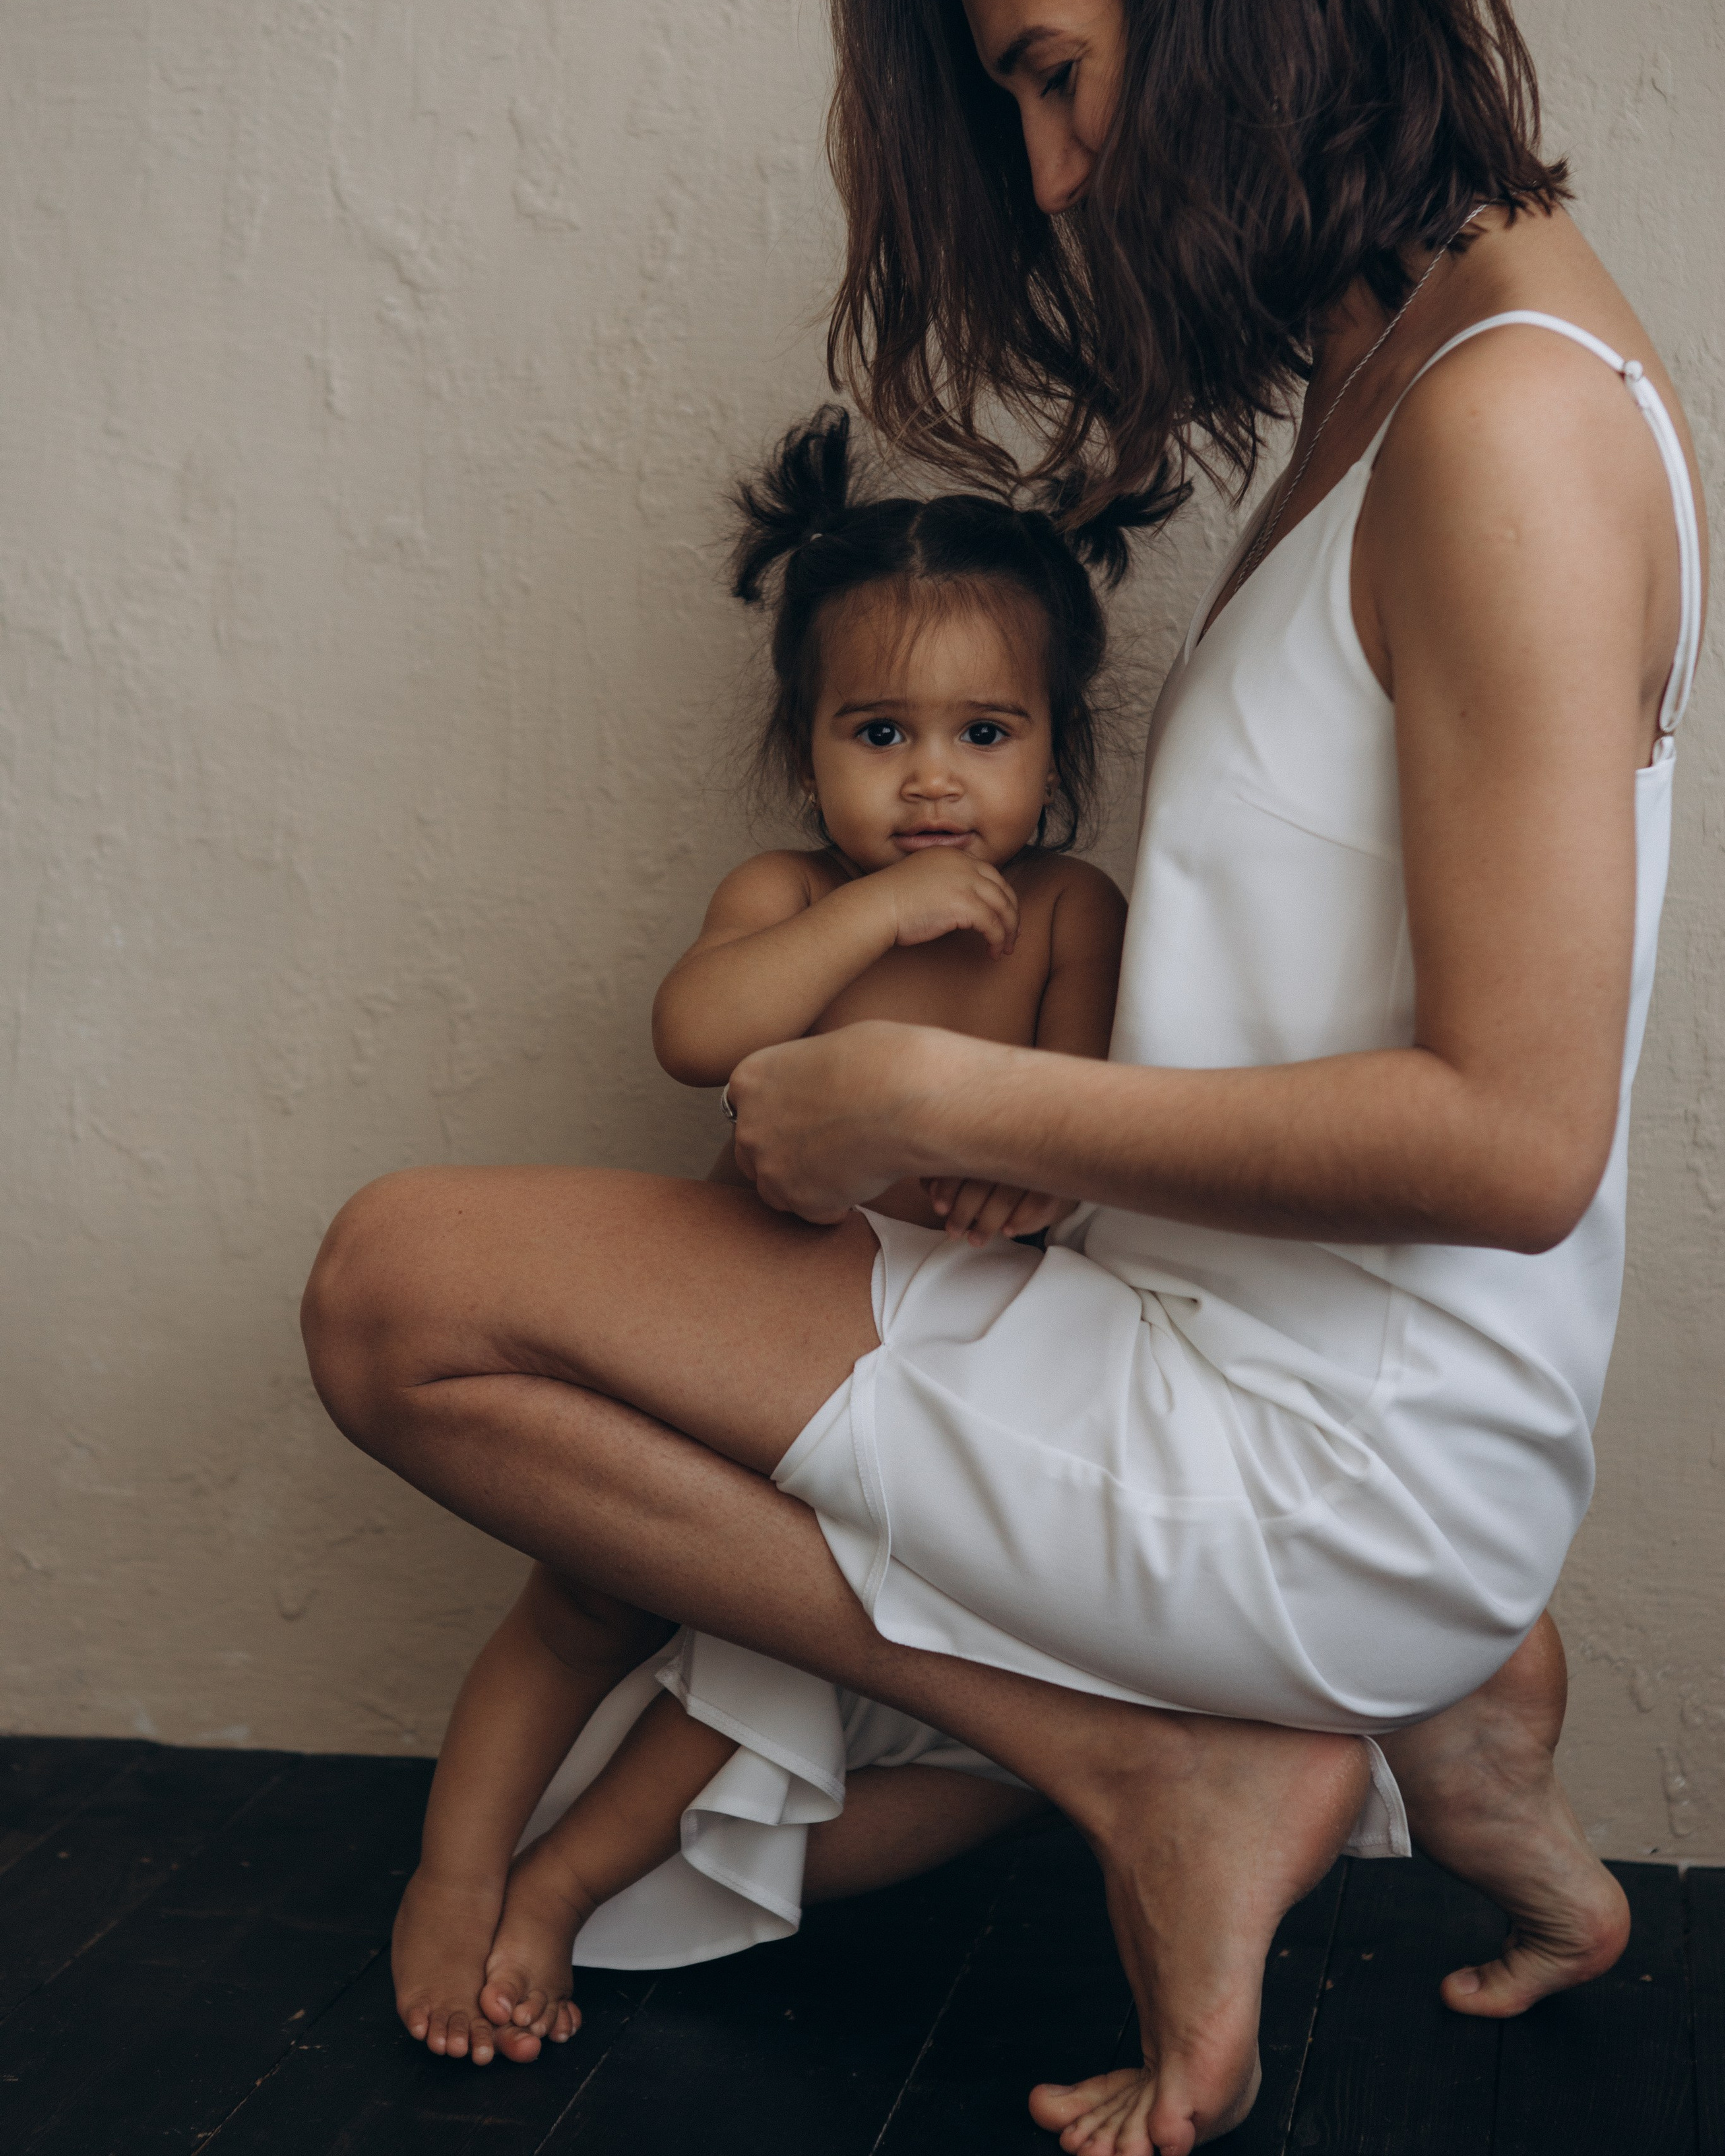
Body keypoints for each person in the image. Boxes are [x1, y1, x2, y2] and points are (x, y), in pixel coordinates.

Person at [301, 2, 1707, 2150]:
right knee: (466, 1302)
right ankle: (1410, 1684)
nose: (1048, 171)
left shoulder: (1506, 420)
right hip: (1259, 1375)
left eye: (1055, 67)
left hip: (1313, 1453)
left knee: (401, 1297)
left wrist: (939, 1110)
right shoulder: (1412, 371)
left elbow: (1516, 1145)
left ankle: (1163, 1756)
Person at [388, 408, 1137, 2060]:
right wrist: (870, 910)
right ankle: (451, 1872)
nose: (931, 777)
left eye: (984, 733)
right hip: (737, 1323)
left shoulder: (1072, 913)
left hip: (920, 1380)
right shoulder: (787, 897)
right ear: (807, 742)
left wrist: (1030, 1178)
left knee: (760, 1641)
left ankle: (565, 1879)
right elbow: (693, 1029)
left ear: (1053, 745)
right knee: (580, 1603)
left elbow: (1083, 1115)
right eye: (880, 732)